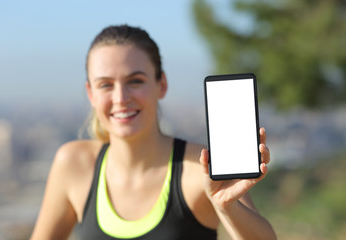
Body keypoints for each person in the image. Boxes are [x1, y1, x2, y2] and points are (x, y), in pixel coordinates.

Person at [30, 25, 277, 240]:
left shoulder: (198, 167)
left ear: (161, 85)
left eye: (135, 81)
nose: (121, 98)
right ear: (90, 93)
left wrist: (226, 207)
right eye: (105, 84)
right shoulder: (74, 164)